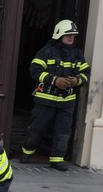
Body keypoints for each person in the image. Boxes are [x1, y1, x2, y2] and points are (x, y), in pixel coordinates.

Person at [20, 19, 91, 171]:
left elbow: (85, 73)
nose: (71, 38)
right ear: (59, 35)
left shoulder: (77, 54)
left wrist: (77, 80)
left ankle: (57, 159)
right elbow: (34, 70)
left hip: (67, 101)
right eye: (68, 35)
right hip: (45, 99)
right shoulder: (46, 52)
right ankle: (27, 151)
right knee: (37, 128)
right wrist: (55, 80)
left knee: (63, 131)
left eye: (73, 35)